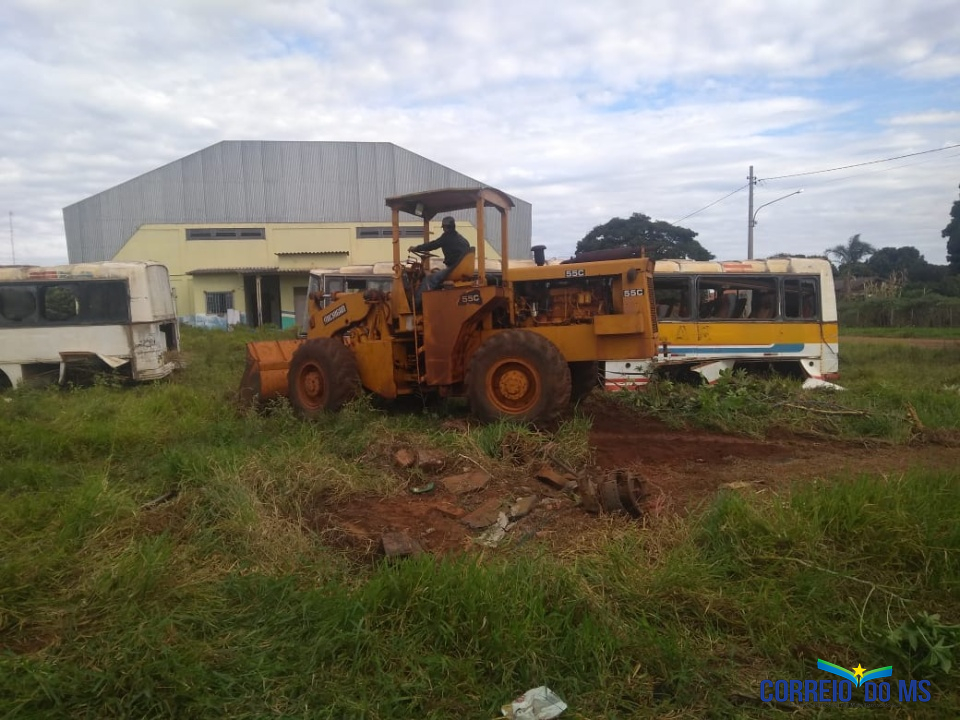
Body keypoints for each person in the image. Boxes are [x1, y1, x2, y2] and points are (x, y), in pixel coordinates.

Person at [409, 216, 473, 292]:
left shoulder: (447, 237)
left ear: (446, 227)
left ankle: (417, 302)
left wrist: (416, 248)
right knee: (436, 273)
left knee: (428, 280)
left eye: (443, 227)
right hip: (462, 270)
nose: (443, 229)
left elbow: (433, 245)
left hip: (453, 269)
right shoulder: (462, 239)